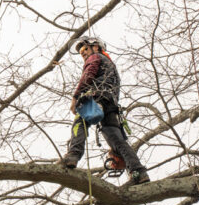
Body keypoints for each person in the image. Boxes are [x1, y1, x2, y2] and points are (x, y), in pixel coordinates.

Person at [61, 36, 150, 185]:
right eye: (81, 51)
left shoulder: (96, 57)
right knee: (117, 141)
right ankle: (138, 172)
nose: (82, 52)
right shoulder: (111, 66)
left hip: (97, 97)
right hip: (111, 104)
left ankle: (73, 155)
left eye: (85, 48)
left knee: (79, 121)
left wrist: (76, 96)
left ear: (95, 47)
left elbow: (88, 74)